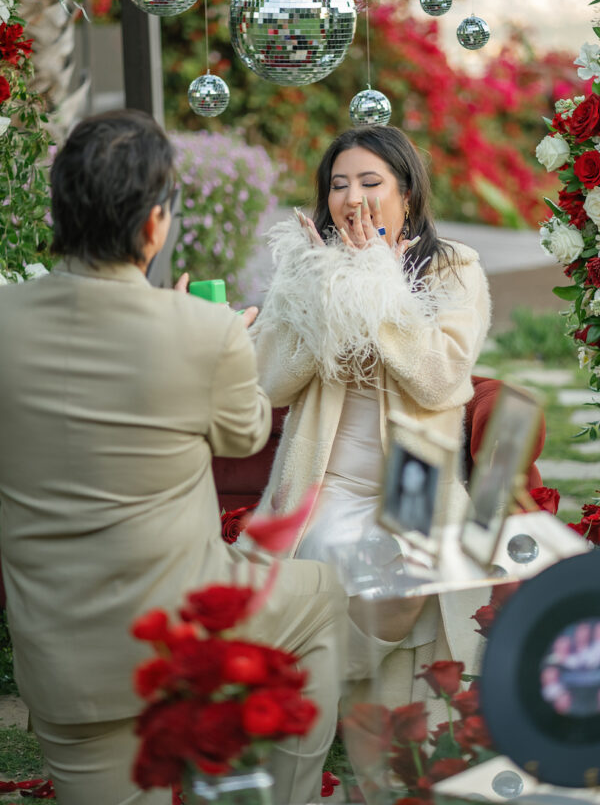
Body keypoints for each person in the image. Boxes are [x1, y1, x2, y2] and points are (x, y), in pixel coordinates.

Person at [0, 110, 344, 805]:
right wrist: (222, 341)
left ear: (61, 211)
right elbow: (245, 436)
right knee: (322, 596)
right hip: (185, 634)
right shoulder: (203, 330)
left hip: (65, 666)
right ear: (154, 225)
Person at [247, 124, 491, 698]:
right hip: (324, 477)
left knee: (405, 582)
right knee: (333, 547)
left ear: (406, 193)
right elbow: (271, 382)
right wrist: (321, 289)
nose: (352, 198)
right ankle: (309, 694)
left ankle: (302, 686)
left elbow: (440, 380)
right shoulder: (309, 267)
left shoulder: (452, 268)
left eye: (369, 182)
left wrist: (378, 283)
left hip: (413, 476)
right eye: (338, 185)